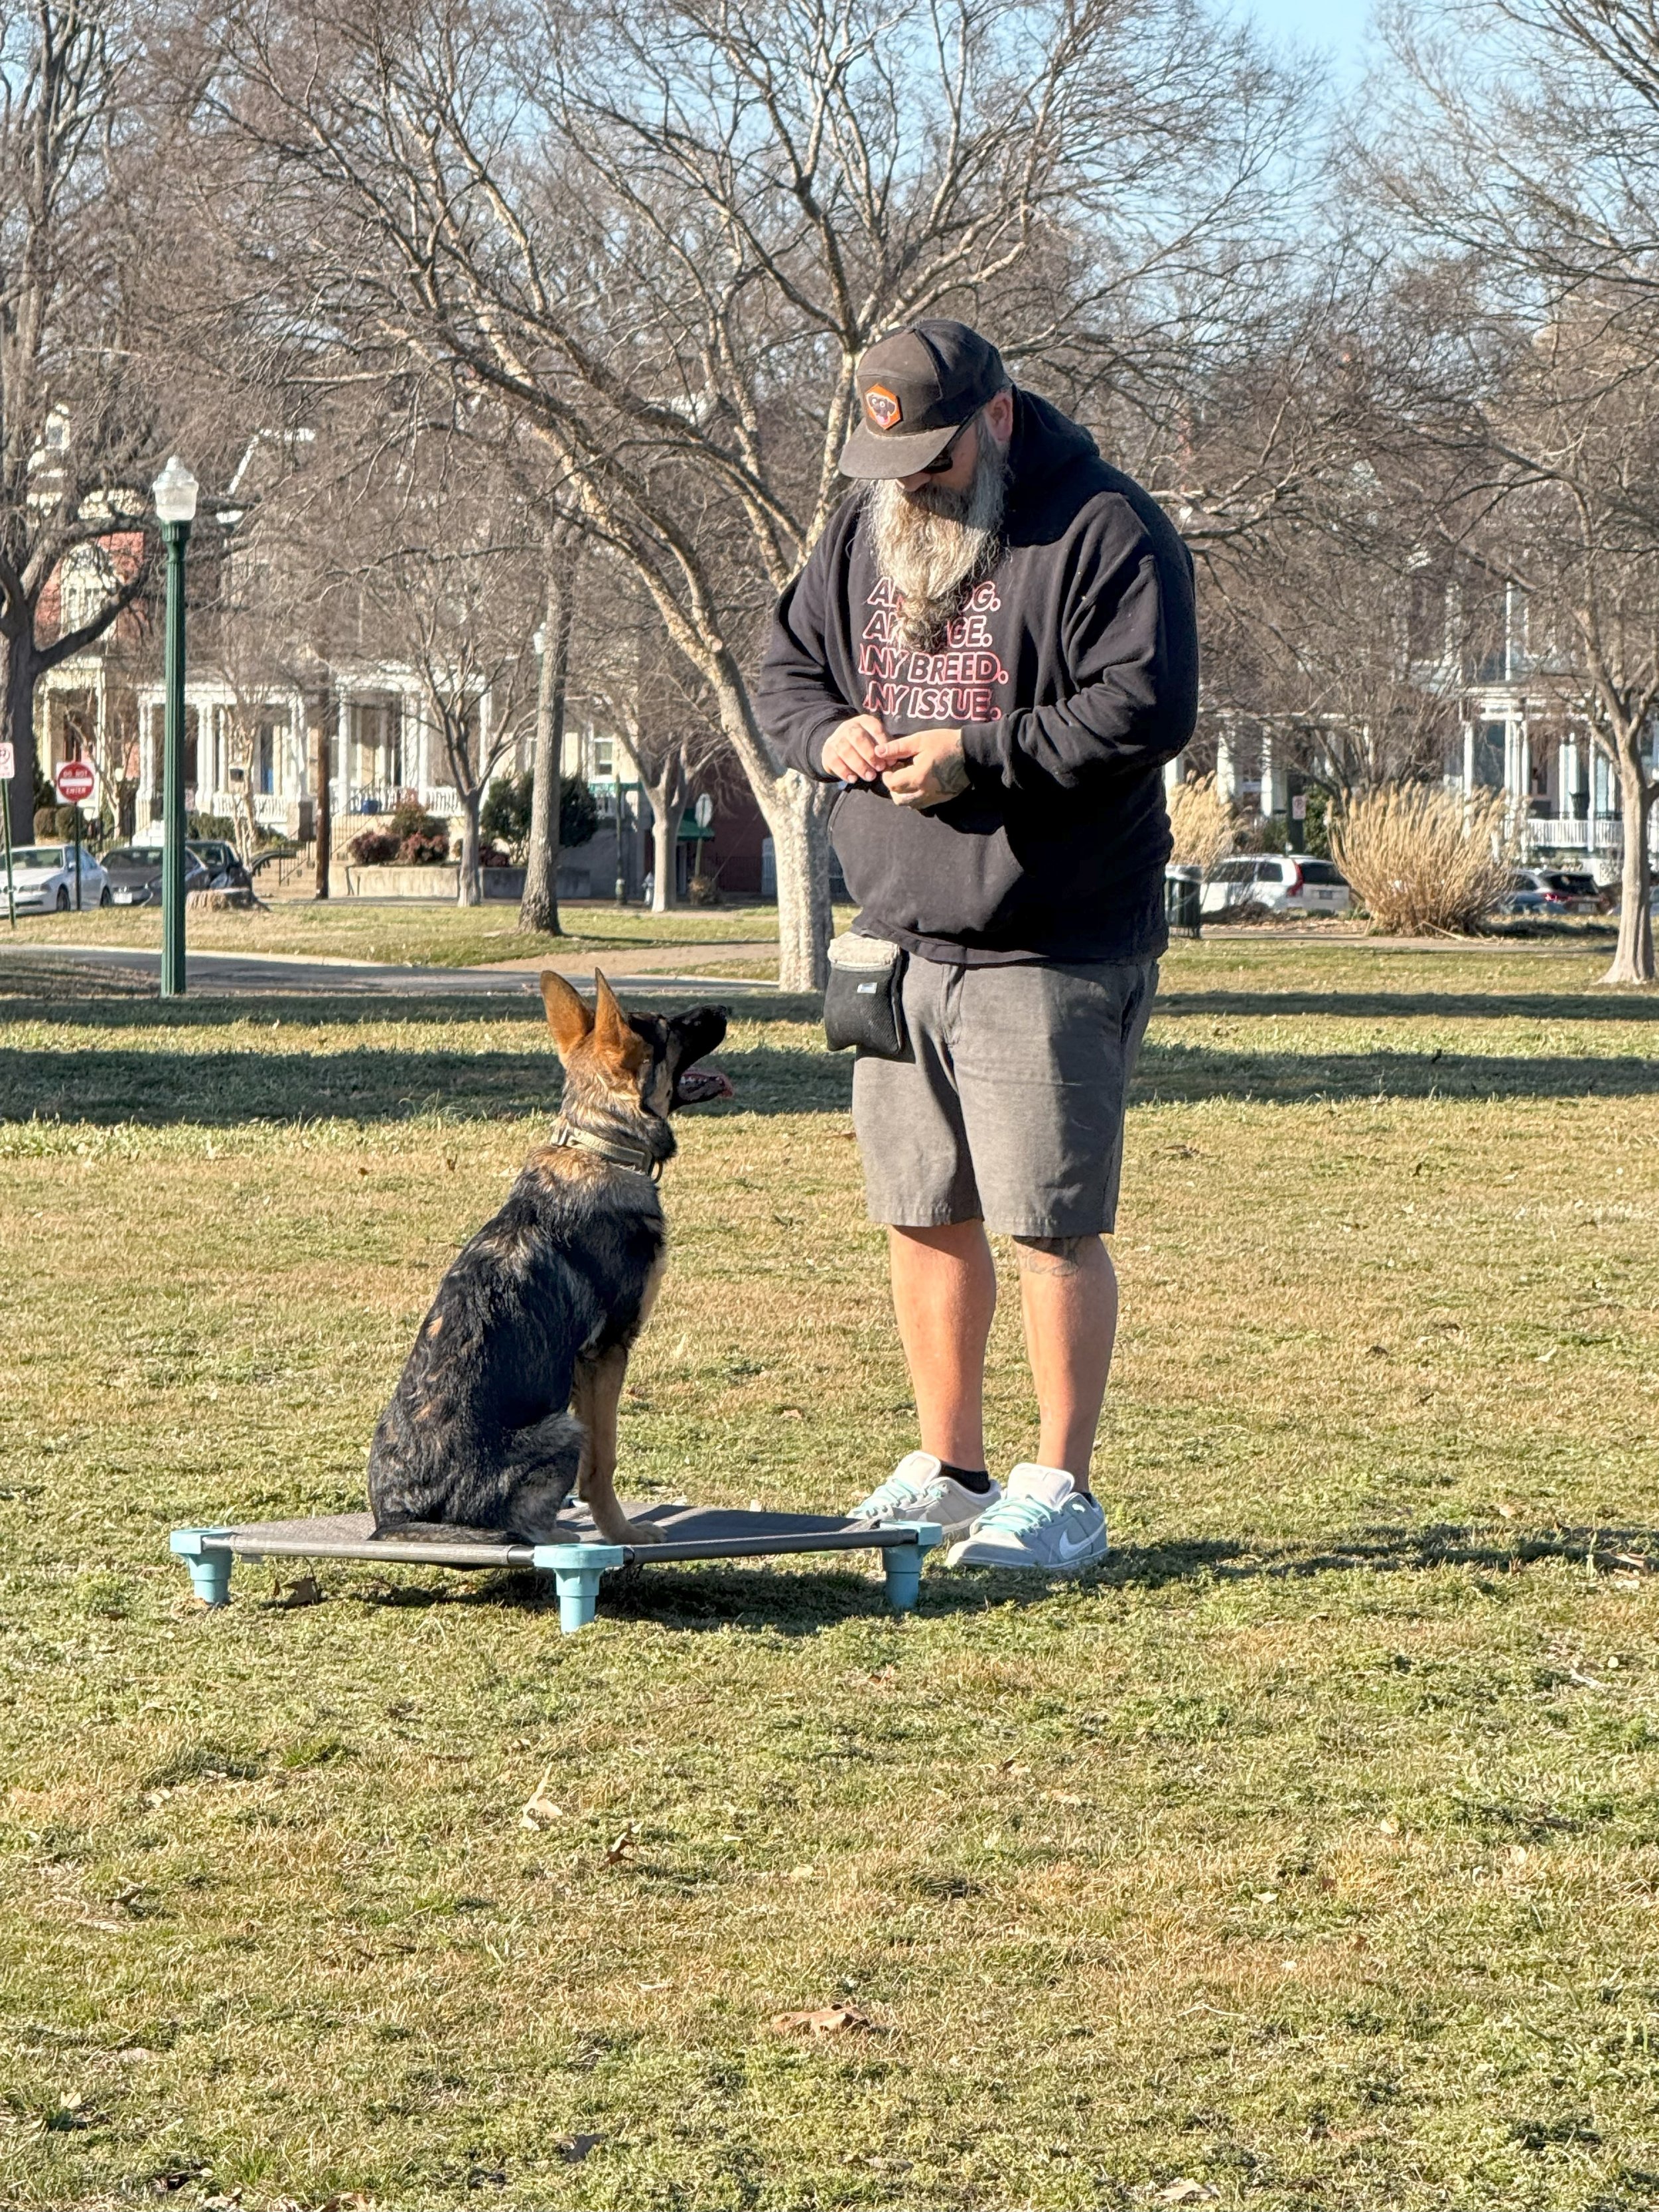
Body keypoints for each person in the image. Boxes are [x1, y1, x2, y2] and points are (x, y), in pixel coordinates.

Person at [755, 319, 1198, 1572]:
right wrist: (826, 732)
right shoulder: (861, 528)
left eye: (935, 459)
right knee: (920, 1209)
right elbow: (782, 667)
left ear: (996, 422)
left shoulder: (1103, 527)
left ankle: (1063, 1488)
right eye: (889, 464)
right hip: (898, 943)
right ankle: (949, 1468)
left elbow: (1147, 702)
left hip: (1050, 943)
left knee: (1048, 1219)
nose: (910, 487)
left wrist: (980, 755)